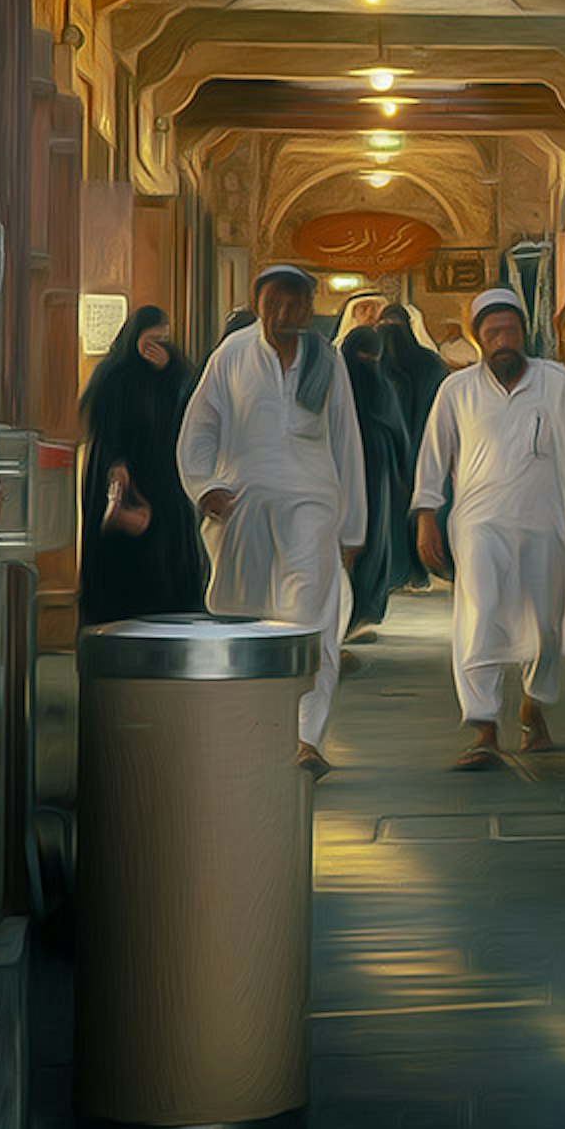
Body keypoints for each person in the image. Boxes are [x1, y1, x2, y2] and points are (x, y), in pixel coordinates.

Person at [177, 266, 368, 770]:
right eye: (273, 303)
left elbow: (347, 442)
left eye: (293, 304)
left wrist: (353, 528)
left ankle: (305, 737)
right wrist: (205, 487)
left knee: (309, 619)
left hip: (312, 504)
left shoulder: (327, 361)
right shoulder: (231, 356)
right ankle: (244, 731)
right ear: (257, 303)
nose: (283, 313)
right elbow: (199, 428)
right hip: (242, 508)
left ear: (309, 308)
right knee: (239, 614)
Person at [411, 288, 565, 770]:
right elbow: (433, 458)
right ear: (478, 338)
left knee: (543, 625)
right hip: (480, 526)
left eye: (510, 331)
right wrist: (426, 518)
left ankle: (532, 707)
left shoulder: (558, 383)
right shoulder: (456, 392)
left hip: (547, 524)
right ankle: (482, 729)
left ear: (524, 333)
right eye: (492, 332)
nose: (503, 341)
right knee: (479, 620)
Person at [76, 304, 204, 627]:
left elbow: (189, 407)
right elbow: (103, 427)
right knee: (127, 560)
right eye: (151, 340)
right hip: (124, 472)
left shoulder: (174, 373)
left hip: (165, 477)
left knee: (167, 554)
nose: (157, 347)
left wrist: (170, 369)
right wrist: (117, 466)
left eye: (164, 340)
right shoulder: (114, 375)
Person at [338, 299, 422, 641]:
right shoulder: (337, 389)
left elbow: (397, 429)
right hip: (351, 472)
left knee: (374, 539)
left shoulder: (378, 384)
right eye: (363, 357)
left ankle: (365, 610)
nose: (368, 364)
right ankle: (348, 614)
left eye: (373, 358)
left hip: (379, 471)